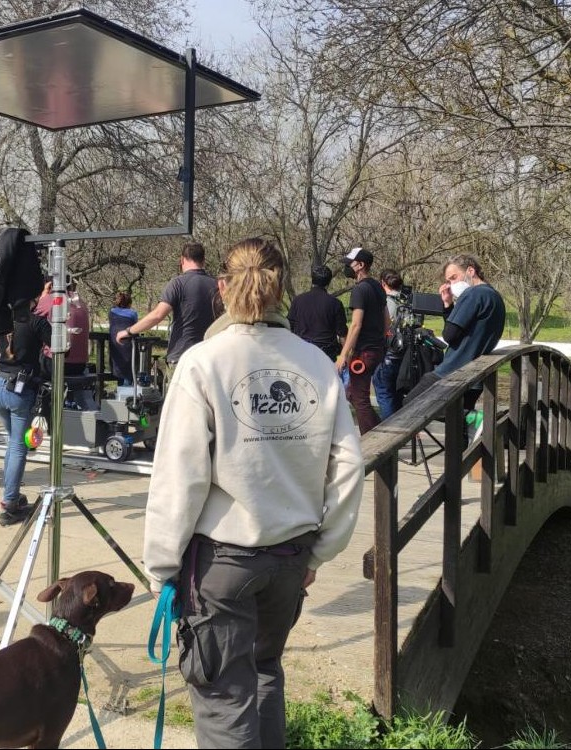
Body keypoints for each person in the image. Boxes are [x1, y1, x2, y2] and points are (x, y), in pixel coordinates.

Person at [142, 237, 364, 750]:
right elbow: (349, 466)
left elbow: (179, 476)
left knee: (224, 695)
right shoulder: (316, 363)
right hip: (290, 557)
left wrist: (161, 566)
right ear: (281, 288)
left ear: (222, 288)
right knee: (265, 672)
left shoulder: (202, 363)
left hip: (222, 563)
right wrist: (321, 551)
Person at [405, 254, 506, 404]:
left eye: (454, 278)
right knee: (453, 416)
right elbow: (461, 330)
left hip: (453, 372)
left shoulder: (473, 294)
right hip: (475, 376)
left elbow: (449, 335)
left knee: (409, 406)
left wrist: (449, 308)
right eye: (448, 281)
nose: (451, 284)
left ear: (470, 271)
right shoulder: (494, 296)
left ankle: (473, 421)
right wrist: (448, 304)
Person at [114, 241, 219, 381]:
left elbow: (158, 315)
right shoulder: (217, 285)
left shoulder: (177, 284)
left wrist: (129, 331)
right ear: (203, 260)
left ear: (182, 260)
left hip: (182, 357)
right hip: (209, 359)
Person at [0, 293, 52, 526]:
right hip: (19, 389)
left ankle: (12, 495)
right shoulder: (36, 322)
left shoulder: (1, 320)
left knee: (13, 442)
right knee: (18, 446)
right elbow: (61, 348)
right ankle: (9, 504)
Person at [336, 247, 389, 435]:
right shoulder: (377, 287)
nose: (347, 268)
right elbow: (387, 321)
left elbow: (356, 325)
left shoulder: (359, 290)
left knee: (360, 399)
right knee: (352, 393)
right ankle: (379, 431)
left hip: (363, 352)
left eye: (350, 264)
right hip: (376, 350)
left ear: (360, 265)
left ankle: (372, 443)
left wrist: (343, 355)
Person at [35, 277, 96, 410]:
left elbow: (31, 321)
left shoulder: (51, 299)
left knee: (29, 365)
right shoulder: (80, 302)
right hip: (80, 365)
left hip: (56, 364)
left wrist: (43, 296)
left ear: (50, 284)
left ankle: (37, 408)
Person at [286, 264, 348, 361]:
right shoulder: (335, 304)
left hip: (302, 353)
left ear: (312, 280)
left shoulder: (298, 301)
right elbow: (342, 334)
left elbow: (289, 327)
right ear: (328, 282)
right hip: (326, 355)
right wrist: (347, 358)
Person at [373, 269, 407, 420]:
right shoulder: (406, 302)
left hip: (387, 355)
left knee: (384, 393)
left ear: (382, 283)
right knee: (397, 395)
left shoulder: (385, 303)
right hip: (404, 356)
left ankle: (389, 428)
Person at [108, 290, 138, 386]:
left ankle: (120, 388)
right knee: (129, 370)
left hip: (115, 345)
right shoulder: (133, 313)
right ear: (129, 303)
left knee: (118, 368)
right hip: (129, 345)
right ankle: (126, 390)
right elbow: (136, 327)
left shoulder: (112, 312)